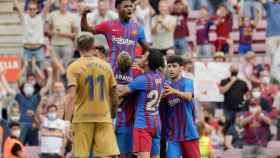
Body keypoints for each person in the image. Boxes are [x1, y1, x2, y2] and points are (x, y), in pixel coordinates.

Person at [66, 32, 119, 158]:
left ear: (77, 47)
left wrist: (67, 122)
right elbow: (114, 96)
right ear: (94, 46)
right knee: (108, 155)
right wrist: (112, 115)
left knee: (80, 155)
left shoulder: (74, 67)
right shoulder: (106, 66)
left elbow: (71, 97)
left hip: (82, 118)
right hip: (103, 117)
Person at [118, 50, 165, 158]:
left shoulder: (142, 80)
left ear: (147, 62)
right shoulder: (161, 77)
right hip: (156, 124)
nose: (141, 58)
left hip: (143, 125)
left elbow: (121, 93)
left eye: (144, 57)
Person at [81, 0, 149, 66]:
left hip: (130, 71)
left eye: (131, 6)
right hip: (113, 69)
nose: (129, 9)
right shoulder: (108, 25)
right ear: (117, 8)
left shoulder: (138, 28)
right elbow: (86, 30)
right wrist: (84, 15)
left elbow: (147, 49)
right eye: (126, 6)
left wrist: (141, 60)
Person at [163, 55, 200, 158]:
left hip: (189, 133)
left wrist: (173, 91)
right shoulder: (165, 84)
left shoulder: (187, 82)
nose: (171, 69)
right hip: (173, 135)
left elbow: (188, 96)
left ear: (182, 68)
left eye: (174, 66)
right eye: (169, 66)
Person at [114, 52, 142, 158]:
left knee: (122, 153)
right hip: (123, 119)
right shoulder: (137, 72)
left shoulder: (111, 69)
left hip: (125, 118)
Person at [14, 0, 52, 73]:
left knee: (40, 73)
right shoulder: (24, 17)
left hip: (39, 49)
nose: (32, 11)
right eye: (30, 9)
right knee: (27, 73)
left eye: (34, 9)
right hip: (26, 50)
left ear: (37, 10)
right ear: (27, 10)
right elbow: (17, 6)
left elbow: (48, 5)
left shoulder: (41, 17)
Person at [48, 0, 78, 68]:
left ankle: (66, 78)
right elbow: (48, 30)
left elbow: (75, 34)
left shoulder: (72, 16)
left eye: (65, 4)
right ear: (59, 4)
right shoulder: (53, 14)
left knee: (67, 66)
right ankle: (56, 79)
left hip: (67, 45)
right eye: (62, 4)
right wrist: (52, 32)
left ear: (68, 5)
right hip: (55, 44)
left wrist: (63, 34)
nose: (64, 6)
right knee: (55, 67)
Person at [260, 0, 280, 82]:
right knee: (273, 58)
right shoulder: (269, 4)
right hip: (271, 35)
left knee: (277, 59)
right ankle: (274, 80)